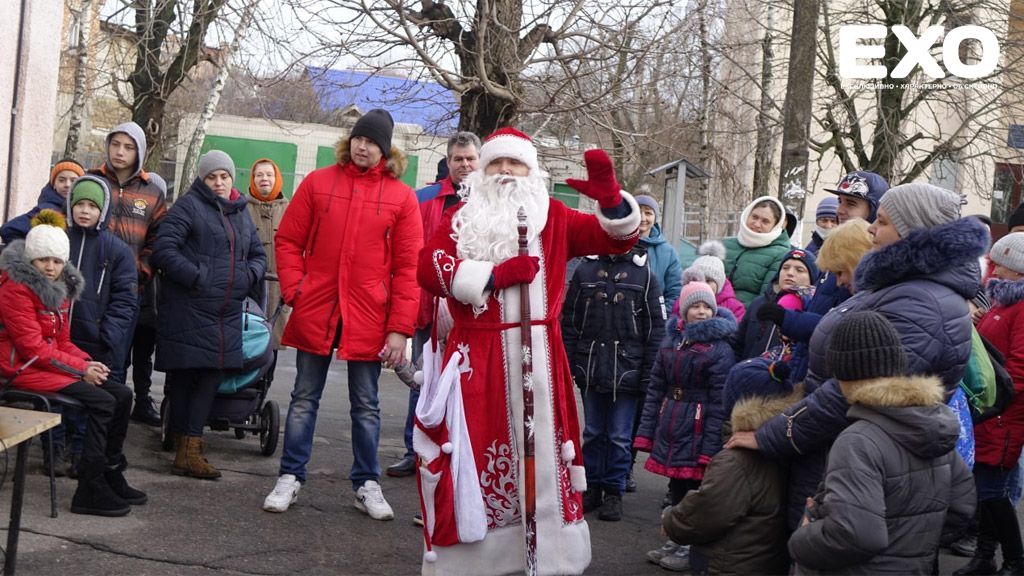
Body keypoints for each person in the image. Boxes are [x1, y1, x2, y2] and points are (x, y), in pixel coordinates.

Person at [414, 127, 640, 575]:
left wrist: (612, 200)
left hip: (540, 356)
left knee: (545, 457)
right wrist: (492, 276)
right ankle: (475, 560)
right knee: (474, 456)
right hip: (478, 358)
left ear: (531, 171)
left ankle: (549, 555)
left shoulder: (553, 216)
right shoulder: (462, 216)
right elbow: (428, 268)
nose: (504, 172)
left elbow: (615, 240)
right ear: (482, 170)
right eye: (496, 163)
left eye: (514, 163)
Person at [731, 183, 987, 531]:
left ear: (911, 229)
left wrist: (774, 434)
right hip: (833, 448)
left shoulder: (920, 302)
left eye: (880, 221)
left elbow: (854, 389)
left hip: (854, 458)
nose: (870, 229)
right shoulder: (901, 287)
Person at [262, 109, 422, 519]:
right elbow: (289, 238)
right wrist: (297, 287)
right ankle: (290, 476)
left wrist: (399, 330)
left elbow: (408, 268)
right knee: (302, 398)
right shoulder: (318, 182)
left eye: (371, 142)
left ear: (385, 150)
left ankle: (366, 484)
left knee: (366, 404)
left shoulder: (402, 197)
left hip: (369, 315)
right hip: (318, 308)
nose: (362, 146)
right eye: (358, 139)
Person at [788, 312, 975, 574]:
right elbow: (961, 506)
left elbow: (856, 534)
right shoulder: (930, 422)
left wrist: (802, 537)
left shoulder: (858, 441)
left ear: (844, 374)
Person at [0, 210, 145, 516]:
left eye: (56, 260)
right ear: (31, 261)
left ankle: (109, 471)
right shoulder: (16, 289)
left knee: (122, 394)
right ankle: (89, 486)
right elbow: (33, 349)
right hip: (18, 369)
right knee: (102, 402)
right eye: (43, 260)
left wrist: (90, 363)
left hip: (43, 364)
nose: (50, 267)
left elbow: (63, 342)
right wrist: (81, 370)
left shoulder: (62, 289)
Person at [151, 151, 266, 479]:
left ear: (232, 179)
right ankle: (186, 448)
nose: (218, 182)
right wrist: (197, 276)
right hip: (191, 308)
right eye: (211, 177)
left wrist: (250, 276)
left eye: (223, 177)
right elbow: (164, 250)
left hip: (225, 313)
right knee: (190, 377)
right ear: (202, 180)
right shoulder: (188, 207)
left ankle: (188, 445)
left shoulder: (240, 212)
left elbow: (257, 254)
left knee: (211, 377)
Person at [388, 132, 480, 480]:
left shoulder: (492, 203)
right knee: (424, 379)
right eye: (459, 159)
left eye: (471, 159)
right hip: (429, 305)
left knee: (468, 382)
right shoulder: (425, 199)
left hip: (473, 310)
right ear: (448, 161)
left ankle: (463, 451)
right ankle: (416, 451)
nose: (465, 165)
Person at [634, 281, 737, 572]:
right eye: (695, 306)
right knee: (676, 486)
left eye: (706, 306)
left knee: (695, 489)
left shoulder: (719, 349)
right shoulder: (672, 342)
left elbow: (720, 401)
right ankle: (675, 538)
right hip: (672, 421)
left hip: (698, 425)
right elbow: (656, 387)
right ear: (684, 309)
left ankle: (690, 546)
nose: (701, 312)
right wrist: (646, 432)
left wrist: (710, 447)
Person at [562, 243, 666, 522]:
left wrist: (648, 374)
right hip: (592, 365)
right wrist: (568, 365)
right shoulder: (584, 271)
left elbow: (656, 329)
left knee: (620, 436)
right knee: (593, 431)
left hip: (628, 369)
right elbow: (569, 324)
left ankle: (614, 492)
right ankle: (592, 487)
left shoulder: (645, 276)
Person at [660, 370, 798, 575]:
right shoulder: (787, 443)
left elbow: (709, 508)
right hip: (766, 561)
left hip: (731, 563)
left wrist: (672, 522)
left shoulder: (737, 460)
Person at [88, 121, 168, 427]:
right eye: (116, 144)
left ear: (140, 152)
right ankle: (74, 438)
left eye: (128, 146)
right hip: (87, 289)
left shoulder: (152, 192)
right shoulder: (92, 181)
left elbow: (158, 239)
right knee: (81, 360)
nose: (120, 152)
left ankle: (107, 437)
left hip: (127, 293)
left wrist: (140, 273)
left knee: (116, 365)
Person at [956, 232, 1024, 576]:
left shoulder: (1021, 308)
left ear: (1018, 271)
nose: (992, 268)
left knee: (993, 490)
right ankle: (984, 557)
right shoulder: (1002, 304)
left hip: (1004, 415)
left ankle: (1014, 560)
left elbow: (1018, 366)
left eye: (1000, 264)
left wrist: (995, 402)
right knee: (986, 490)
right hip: (988, 413)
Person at [65, 176, 139, 478]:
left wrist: (107, 335)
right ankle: (55, 448)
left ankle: (83, 456)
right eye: (79, 204)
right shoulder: (59, 241)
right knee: (61, 405)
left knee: (92, 405)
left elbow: (125, 299)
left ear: (103, 211)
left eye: (92, 206)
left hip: (96, 342)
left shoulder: (116, 250)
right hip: (60, 341)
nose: (85, 211)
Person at [735, 248, 818, 362]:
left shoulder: (813, 310)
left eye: (799, 270)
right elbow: (738, 345)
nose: (790, 273)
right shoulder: (759, 303)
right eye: (785, 268)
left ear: (812, 278)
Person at [245, 157, 290, 354]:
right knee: (247, 335)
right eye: (259, 174)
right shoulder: (241, 208)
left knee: (272, 343)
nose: (265, 179)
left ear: (277, 179)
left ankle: (267, 381)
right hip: (249, 283)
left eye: (269, 175)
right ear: (252, 179)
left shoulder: (289, 209)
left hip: (279, 286)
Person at [721, 196, 792, 306]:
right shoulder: (724, 245)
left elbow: (765, 298)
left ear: (775, 226)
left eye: (765, 221)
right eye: (754, 217)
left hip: (744, 317)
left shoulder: (781, 254)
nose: (757, 224)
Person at [1, 159, 84, 244]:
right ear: (54, 184)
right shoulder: (46, 210)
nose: (67, 185)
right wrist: (33, 252)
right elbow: (8, 229)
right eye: (61, 180)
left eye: (73, 180)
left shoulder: (86, 210)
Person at [635, 194, 682, 311]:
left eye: (648, 213)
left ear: (655, 218)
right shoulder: (617, 246)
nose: (642, 218)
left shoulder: (668, 253)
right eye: (637, 212)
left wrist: (661, 317)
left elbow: (675, 291)